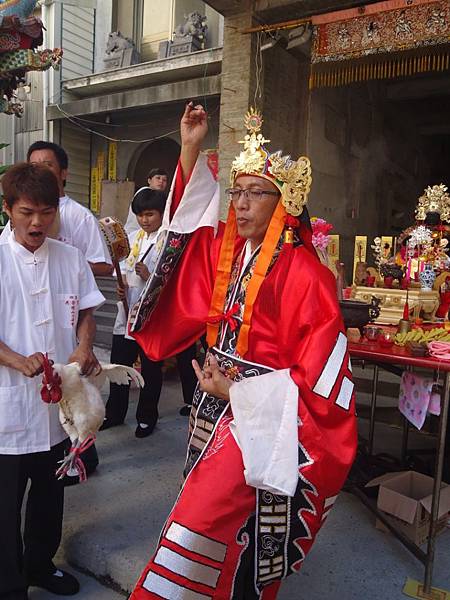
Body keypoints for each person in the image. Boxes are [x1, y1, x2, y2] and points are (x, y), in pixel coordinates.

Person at [129, 103, 357, 599]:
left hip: (267, 418)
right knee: (217, 524)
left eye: (257, 193)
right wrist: (189, 148)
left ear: (285, 203)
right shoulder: (228, 256)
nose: (242, 203)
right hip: (214, 408)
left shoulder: (308, 276)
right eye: (237, 192)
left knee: (208, 520)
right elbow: (186, 232)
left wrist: (237, 390)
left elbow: (320, 376)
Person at [0, 163, 105, 599]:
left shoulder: (69, 257)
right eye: (27, 212)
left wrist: (84, 346)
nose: (38, 222)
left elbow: (84, 310)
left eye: (47, 212)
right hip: (6, 407)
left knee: (50, 494)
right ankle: (8, 583)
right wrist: (14, 359)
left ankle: (41, 565)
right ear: (8, 209)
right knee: (4, 507)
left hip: (58, 405)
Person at [101, 187, 197, 435]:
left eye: (150, 214)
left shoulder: (170, 241)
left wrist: (151, 276)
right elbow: (120, 268)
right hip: (126, 314)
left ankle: (146, 416)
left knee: (151, 369)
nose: (145, 220)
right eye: (141, 215)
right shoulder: (132, 238)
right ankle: (115, 413)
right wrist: (121, 288)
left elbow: (176, 279)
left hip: (151, 317)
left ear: (161, 213)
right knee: (119, 366)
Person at [0, 141, 113, 277]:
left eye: (48, 165)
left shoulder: (81, 216)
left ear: (63, 173)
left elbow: (104, 266)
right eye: (34, 166)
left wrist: (66, 263)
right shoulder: (18, 214)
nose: (36, 221)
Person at [124, 168, 169, 236]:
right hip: (135, 234)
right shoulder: (143, 193)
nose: (161, 181)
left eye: (164, 180)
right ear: (149, 181)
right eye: (158, 178)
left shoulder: (160, 197)